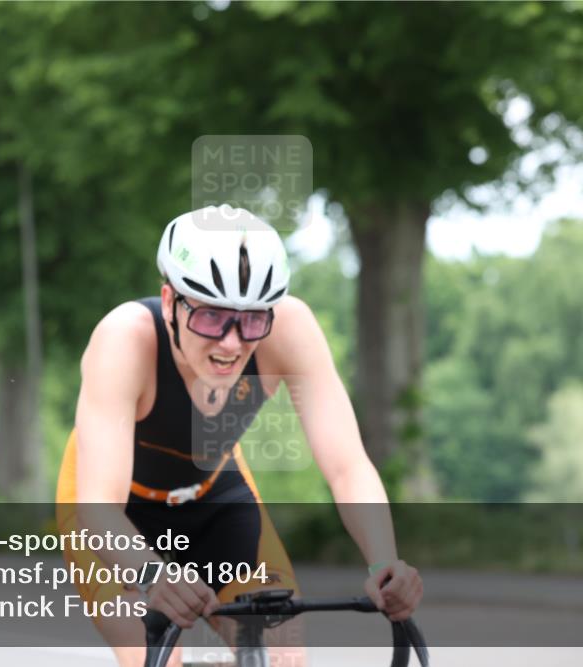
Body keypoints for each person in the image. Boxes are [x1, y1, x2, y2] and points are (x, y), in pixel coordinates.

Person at [56, 205, 422, 667]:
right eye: (211, 316)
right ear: (169, 302)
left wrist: (385, 564)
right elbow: (98, 508)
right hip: (116, 512)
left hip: (213, 493)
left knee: (282, 658)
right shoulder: (124, 339)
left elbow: (347, 467)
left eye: (251, 320)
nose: (231, 343)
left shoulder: (289, 328)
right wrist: (152, 575)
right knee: (156, 654)